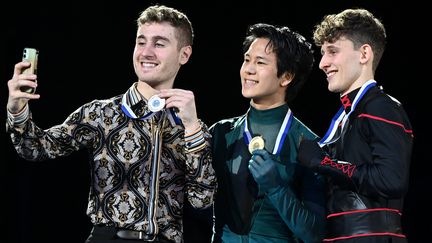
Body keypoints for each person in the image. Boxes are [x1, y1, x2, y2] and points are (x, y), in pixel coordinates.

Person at [6, 5, 216, 243]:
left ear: (184, 54)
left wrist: (191, 128)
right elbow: (35, 148)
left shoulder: (192, 128)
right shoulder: (100, 113)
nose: (146, 52)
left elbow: (202, 199)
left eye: (159, 44)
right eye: (141, 42)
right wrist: (17, 109)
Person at [297, 8, 413, 242]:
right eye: (323, 53)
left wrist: (325, 163)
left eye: (332, 52)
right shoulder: (348, 113)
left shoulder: (381, 107)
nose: (322, 63)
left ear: (364, 54)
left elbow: (391, 179)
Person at [209, 23, 326, 243]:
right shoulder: (220, 133)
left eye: (260, 62)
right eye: (247, 60)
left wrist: (277, 188)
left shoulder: (309, 144)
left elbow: (315, 234)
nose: (248, 70)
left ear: (286, 77)